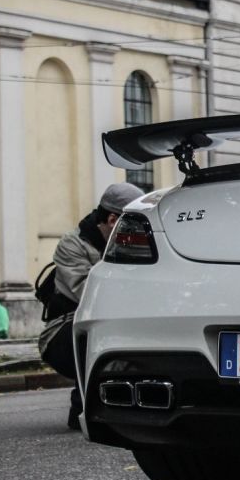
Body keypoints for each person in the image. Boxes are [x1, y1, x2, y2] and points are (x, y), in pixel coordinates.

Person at [40, 182, 143, 430]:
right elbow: (88, 295)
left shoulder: (132, 242)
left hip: (116, 320)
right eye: (132, 224)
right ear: (111, 220)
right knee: (95, 329)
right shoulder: (72, 245)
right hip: (63, 330)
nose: (139, 231)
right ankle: (82, 406)